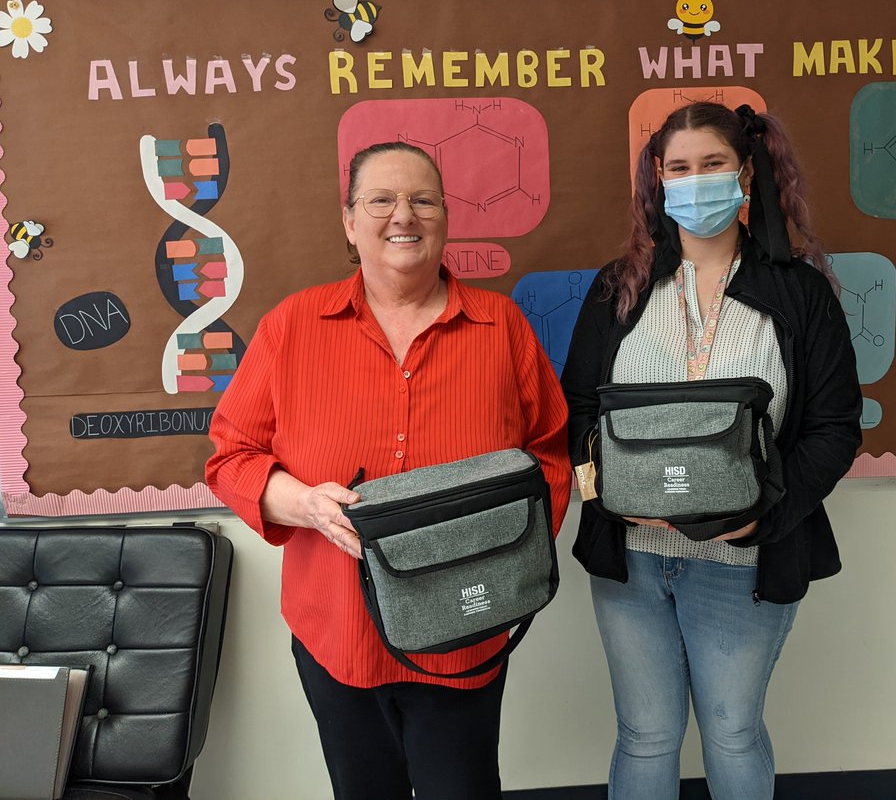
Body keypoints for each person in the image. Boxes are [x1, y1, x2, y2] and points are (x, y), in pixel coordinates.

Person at [206, 140, 571, 800]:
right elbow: (231, 456)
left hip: (464, 633)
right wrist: (302, 503)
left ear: (446, 217)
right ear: (349, 221)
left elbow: (549, 454)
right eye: (381, 200)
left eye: (422, 199)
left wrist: (505, 561)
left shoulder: (503, 328)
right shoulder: (292, 327)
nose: (403, 215)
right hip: (335, 633)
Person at [560, 102, 862, 799]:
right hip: (631, 561)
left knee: (731, 730)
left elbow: (835, 428)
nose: (696, 183)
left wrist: (766, 517)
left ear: (747, 174)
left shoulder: (801, 293)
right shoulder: (619, 289)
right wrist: (612, 493)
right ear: (659, 182)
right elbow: (577, 411)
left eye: (713, 165)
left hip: (743, 561)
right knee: (644, 735)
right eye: (680, 169)